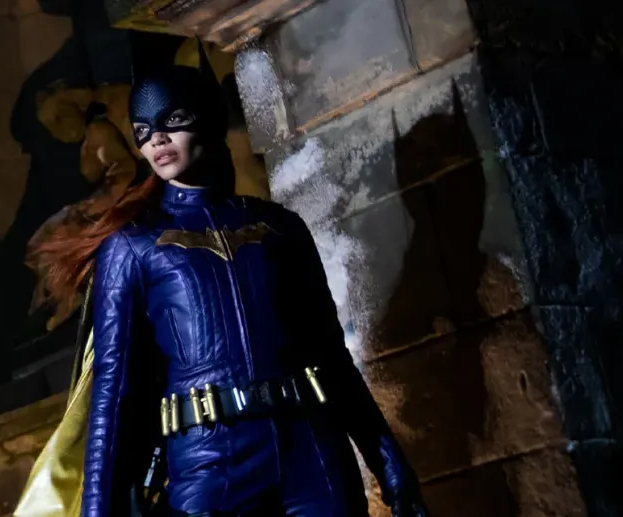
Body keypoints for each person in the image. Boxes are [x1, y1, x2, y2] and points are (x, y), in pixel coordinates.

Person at [27, 45, 429, 517]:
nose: (156, 139)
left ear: (207, 118)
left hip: (312, 455)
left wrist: (395, 474)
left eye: (172, 120)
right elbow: (113, 398)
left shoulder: (280, 228)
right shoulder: (132, 248)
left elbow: (331, 358)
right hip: (208, 467)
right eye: (142, 132)